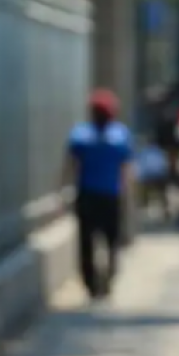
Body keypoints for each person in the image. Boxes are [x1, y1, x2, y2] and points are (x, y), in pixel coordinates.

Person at [66, 89, 133, 300]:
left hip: (89, 195)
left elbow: (70, 166)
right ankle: (106, 277)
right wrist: (128, 195)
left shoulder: (81, 135)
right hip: (109, 195)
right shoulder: (119, 135)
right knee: (109, 240)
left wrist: (64, 190)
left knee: (88, 241)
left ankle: (93, 283)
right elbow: (127, 169)